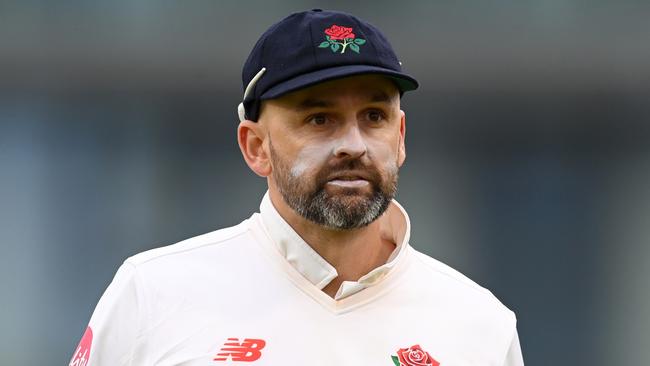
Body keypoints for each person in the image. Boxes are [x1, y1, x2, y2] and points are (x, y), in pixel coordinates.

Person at [69, 9, 524, 366]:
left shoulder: (480, 324)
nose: (353, 145)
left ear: (401, 137)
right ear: (255, 146)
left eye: (374, 117)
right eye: (318, 118)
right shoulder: (152, 294)